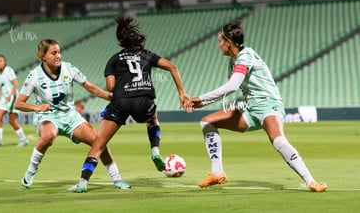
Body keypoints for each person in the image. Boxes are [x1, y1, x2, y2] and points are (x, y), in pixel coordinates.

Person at [183, 20, 327, 192]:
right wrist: (201, 103)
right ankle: (217, 172)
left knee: (278, 140)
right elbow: (230, 88)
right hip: (250, 109)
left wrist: (200, 98)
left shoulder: (245, 56)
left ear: (228, 42)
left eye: (220, 41)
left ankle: (311, 182)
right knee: (207, 122)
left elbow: (232, 86)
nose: (219, 44)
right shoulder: (233, 60)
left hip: (269, 104)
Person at [68, 16, 190, 193]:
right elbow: (172, 67)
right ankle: (155, 150)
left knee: (99, 144)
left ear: (121, 41)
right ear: (138, 42)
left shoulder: (114, 59)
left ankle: (82, 183)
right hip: (144, 100)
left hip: (121, 102)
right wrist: (181, 93)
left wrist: (124, 83)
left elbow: (110, 86)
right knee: (153, 120)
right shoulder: (147, 54)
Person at [15, 39, 130, 191]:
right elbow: (19, 103)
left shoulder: (69, 68)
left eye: (59, 52)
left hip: (70, 116)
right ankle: (31, 171)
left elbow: (90, 88)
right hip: (47, 116)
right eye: (53, 53)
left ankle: (117, 179)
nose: (58, 56)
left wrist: (112, 97)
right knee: (48, 135)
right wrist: (37, 107)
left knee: (99, 141)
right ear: (43, 56)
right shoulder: (34, 76)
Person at [0, 54, 28, 147]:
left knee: (11, 120)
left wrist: (10, 95)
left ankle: (23, 140)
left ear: (4, 62)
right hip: (4, 98)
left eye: (0, 61)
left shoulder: (9, 70)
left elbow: (15, 84)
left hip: (12, 98)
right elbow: (1, 87)